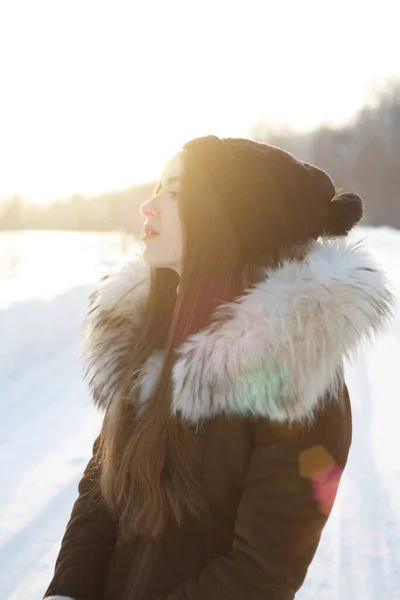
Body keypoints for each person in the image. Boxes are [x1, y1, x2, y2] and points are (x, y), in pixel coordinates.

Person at [44, 136, 393, 600]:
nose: (148, 207)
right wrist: (67, 590)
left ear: (230, 218)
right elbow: (102, 488)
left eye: (173, 192)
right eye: (156, 187)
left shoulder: (293, 373)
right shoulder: (152, 332)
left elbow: (262, 572)